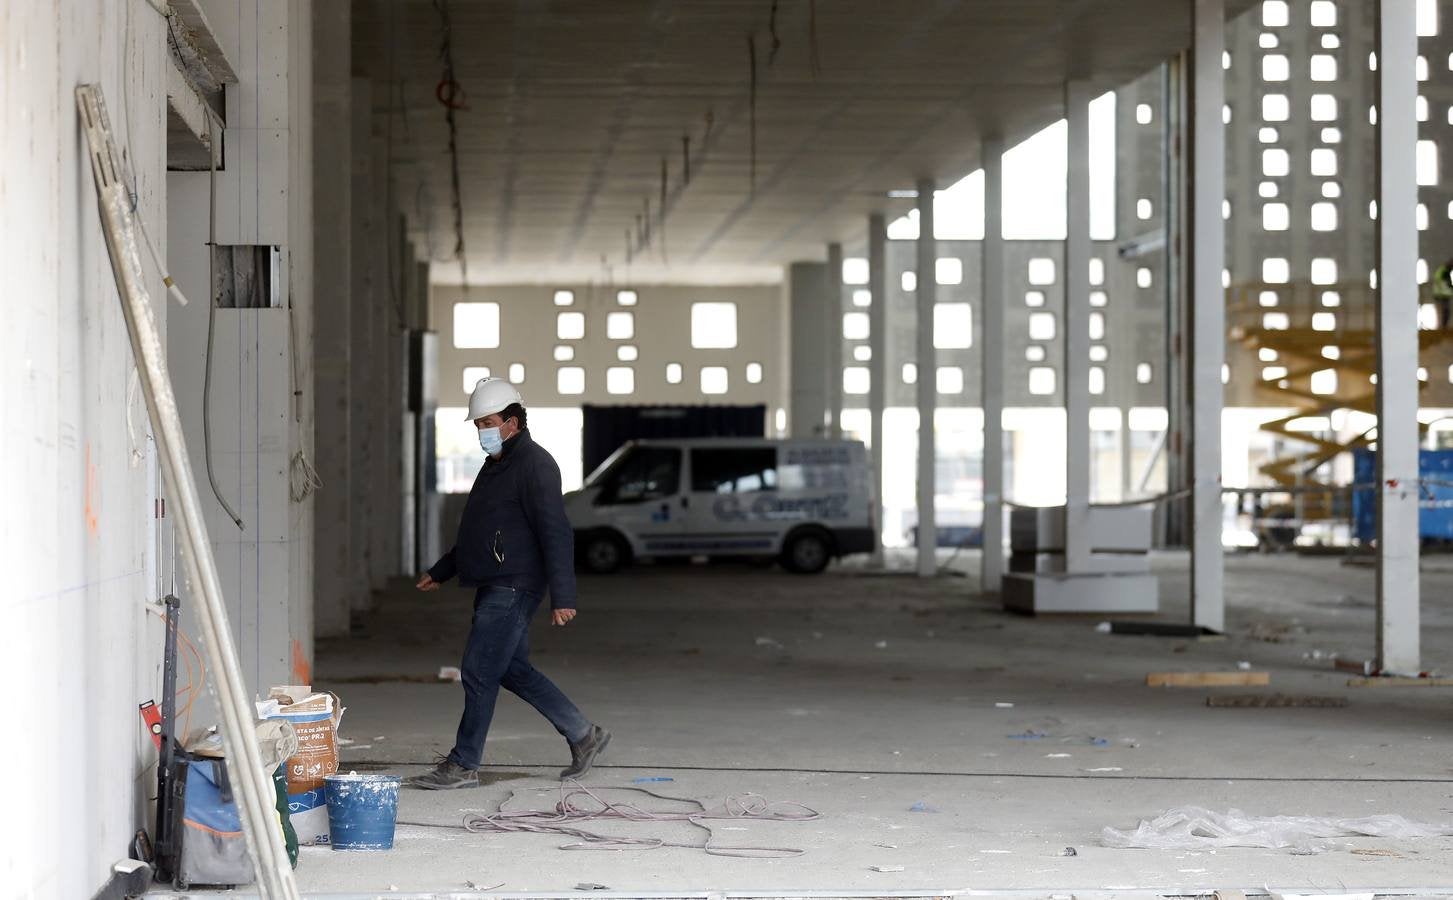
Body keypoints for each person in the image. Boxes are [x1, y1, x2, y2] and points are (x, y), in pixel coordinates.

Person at [406, 377, 610, 789]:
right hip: (495, 581)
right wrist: (443, 570)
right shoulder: (497, 463)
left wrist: (562, 595)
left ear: (513, 422)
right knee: (511, 669)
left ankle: (464, 764)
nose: (482, 430)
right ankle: (584, 734)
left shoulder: (535, 465)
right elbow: (480, 530)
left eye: (488, 422)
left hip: (515, 585)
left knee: (479, 670)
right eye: (478, 423)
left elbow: (556, 531)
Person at [1433, 258, 1453, 330]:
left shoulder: (1444, 271)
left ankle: (1443, 328)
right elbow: (1444, 285)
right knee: (1444, 312)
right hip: (1441, 296)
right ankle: (1442, 329)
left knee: (1445, 312)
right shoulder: (1444, 272)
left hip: (1441, 296)